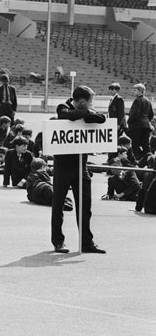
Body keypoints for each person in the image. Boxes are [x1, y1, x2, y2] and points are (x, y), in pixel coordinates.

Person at [51, 86, 106, 254]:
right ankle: (58, 241)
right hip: (63, 166)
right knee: (58, 205)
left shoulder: (84, 111)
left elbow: (102, 118)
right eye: (90, 102)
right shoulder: (63, 107)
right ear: (82, 101)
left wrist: (87, 113)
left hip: (81, 166)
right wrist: (87, 113)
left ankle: (86, 243)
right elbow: (67, 115)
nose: (91, 105)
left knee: (85, 207)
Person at [127, 83, 154, 160]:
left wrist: (129, 121)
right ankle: (150, 160)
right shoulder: (148, 100)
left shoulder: (137, 100)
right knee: (146, 145)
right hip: (146, 125)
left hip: (137, 126)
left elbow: (135, 113)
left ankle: (136, 161)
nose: (133, 92)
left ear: (140, 91)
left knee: (135, 144)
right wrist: (146, 121)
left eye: (135, 90)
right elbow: (151, 114)